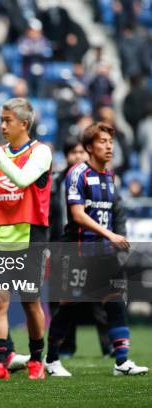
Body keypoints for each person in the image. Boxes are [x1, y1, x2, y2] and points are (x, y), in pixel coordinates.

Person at [44, 123, 148, 377]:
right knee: (68, 305)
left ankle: (121, 361)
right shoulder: (78, 174)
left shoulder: (109, 176)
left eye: (110, 142)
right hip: (78, 250)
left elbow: (110, 213)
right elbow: (78, 215)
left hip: (104, 253)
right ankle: (51, 359)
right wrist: (110, 234)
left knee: (114, 303)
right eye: (102, 141)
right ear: (89, 147)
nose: (109, 146)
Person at [0, 98, 53, 380]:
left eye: (8, 120)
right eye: (1, 119)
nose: (3, 125)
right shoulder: (0, 154)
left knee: (30, 302)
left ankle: (37, 358)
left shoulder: (40, 152)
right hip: (0, 237)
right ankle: (0, 362)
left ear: (24, 124)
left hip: (30, 237)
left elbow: (22, 180)